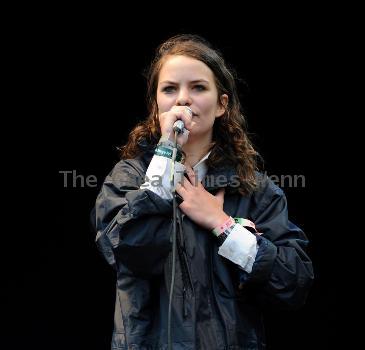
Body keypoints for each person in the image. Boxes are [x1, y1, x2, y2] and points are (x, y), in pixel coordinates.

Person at [91, 34, 314, 350]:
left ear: (222, 104)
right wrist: (167, 152)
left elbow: (294, 282)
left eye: (198, 87)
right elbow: (126, 252)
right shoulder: (129, 177)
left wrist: (222, 224)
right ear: (156, 107)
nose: (182, 99)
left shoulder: (255, 189)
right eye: (170, 89)